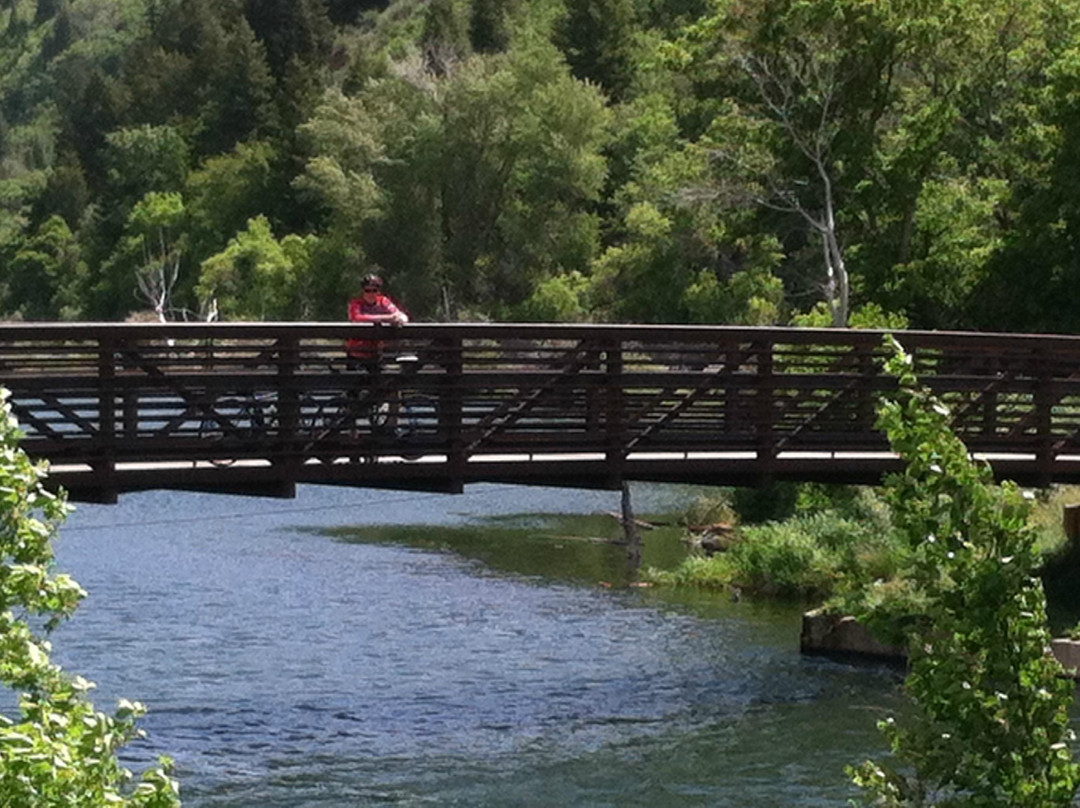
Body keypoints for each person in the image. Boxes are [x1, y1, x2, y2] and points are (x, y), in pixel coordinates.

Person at [346, 273, 408, 367]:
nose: (371, 294)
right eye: (367, 290)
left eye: (374, 290)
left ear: (379, 291)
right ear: (363, 291)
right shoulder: (356, 303)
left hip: (376, 353)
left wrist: (401, 318)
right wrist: (387, 318)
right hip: (357, 353)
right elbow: (357, 318)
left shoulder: (383, 301)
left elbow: (399, 315)